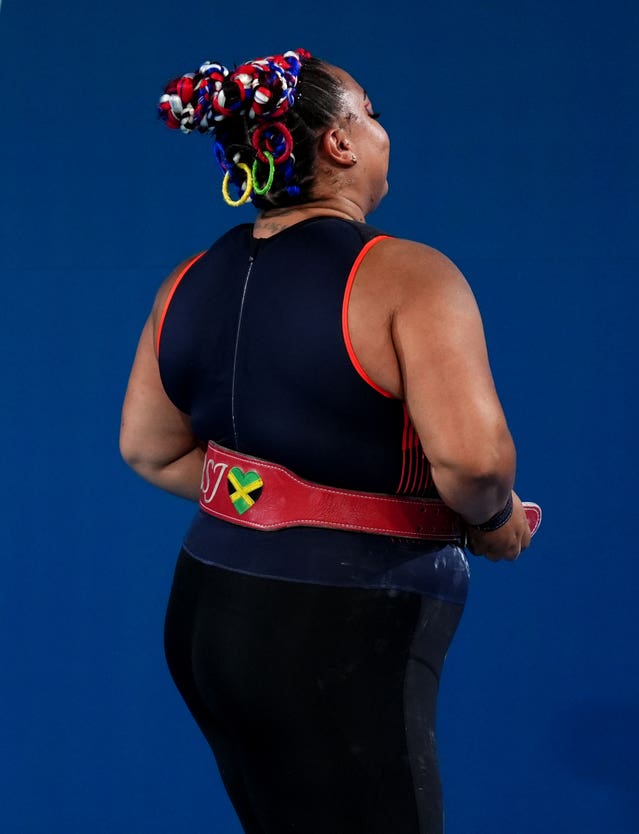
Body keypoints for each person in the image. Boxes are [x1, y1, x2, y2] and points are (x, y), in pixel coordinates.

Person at [120, 48, 533, 834]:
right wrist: (492, 520)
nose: (382, 132)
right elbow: (476, 465)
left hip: (207, 618)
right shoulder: (410, 275)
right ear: (338, 143)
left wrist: (273, 499)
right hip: (340, 630)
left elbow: (151, 449)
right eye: (370, 113)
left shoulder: (187, 280)